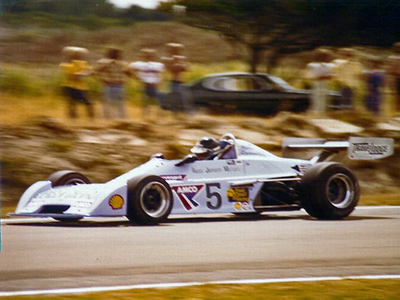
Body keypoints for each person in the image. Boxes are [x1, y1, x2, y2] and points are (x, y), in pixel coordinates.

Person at [95, 47, 130, 119]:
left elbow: (127, 73)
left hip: (115, 85)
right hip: (112, 85)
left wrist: (102, 79)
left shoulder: (121, 63)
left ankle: (116, 119)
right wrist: (102, 79)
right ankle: (116, 119)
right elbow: (97, 72)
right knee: (116, 104)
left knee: (114, 103)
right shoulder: (106, 62)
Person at [59, 46, 94, 119]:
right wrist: (83, 73)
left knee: (85, 103)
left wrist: (81, 74)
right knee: (73, 104)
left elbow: (91, 72)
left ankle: (90, 119)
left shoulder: (82, 63)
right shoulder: (66, 65)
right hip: (71, 87)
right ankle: (74, 119)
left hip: (80, 87)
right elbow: (72, 77)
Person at [129, 48, 165, 116]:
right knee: (145, 103)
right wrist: (137, 78)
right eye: (146, 55)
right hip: (145, 85)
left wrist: (160, 82)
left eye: (150, 55)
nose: (148, 56)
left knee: (158, 103)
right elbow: (128, 71)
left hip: (155, 86)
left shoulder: (158, 65)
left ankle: (157, 118)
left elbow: (162, 75)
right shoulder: (138, 64)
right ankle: (146, 117)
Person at [161, 43, 191, 112]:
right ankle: (175, 114)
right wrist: (178, 62)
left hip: (182, 82)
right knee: (174, 100)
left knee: (185, 99)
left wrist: (181, 62)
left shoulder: (181, 59)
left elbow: (187, 68)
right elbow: (171, 68)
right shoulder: (168, 59)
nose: (178, 51)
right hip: (173, 82)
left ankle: (185, 114)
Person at [304, 48, 334, 114]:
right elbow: (308, 76)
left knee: (325, 102)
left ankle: (323, 114)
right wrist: (319, 77)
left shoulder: (330, 66)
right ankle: (315, 114)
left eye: (325, 56)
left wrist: (327, 77)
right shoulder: (311, 65)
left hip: (326, 86)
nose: (324, 57)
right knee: (316, 101)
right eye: (322, 55)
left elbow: (331, 76)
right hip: (316, 86)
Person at [388, 42, 400, 113]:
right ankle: (397, 112)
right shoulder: (393, 58)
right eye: (397, 47)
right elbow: (390, 71)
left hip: (396, 78)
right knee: (396, 96)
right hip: (397, 78)